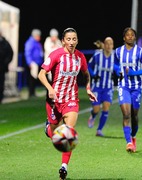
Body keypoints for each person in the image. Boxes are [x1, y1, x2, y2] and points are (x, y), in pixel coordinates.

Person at [38, 27, 97, 180]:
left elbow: (86, 74)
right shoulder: (56, 55)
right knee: (54, 135)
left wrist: (88, 88)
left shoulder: (80, 57)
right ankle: (48, 129)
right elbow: (41, 74)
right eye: (68, 39)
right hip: (54, 101)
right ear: (63, 41)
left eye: (74, 39)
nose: (71, 42)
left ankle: (64, 168)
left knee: (68, 133)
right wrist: (50, 88)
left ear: (77, 40)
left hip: (71, 99)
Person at [114, 27, 142, 153]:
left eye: (132, 35)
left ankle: (133, 137)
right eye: (127, 35)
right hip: (123, 86)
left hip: (136, 88)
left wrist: (135, 72)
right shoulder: (118, 51)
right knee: (126, 114)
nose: (130, 37)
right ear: (124, 38)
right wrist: (117, 70)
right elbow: (114, 64)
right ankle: (128, 142)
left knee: (134, 116)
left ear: (134, 37)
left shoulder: (140, 52)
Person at [87, 37, 117, 136]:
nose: (109, 46)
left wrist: (119, 72)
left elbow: (118, 68)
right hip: (97, 86)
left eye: (111, 44)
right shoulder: (97, 55)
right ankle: (93, 116)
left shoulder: (115, 57)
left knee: (106, 107)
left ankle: (99, 130)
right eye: (107, 43)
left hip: (108, 87)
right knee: (96, 108)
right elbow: (89, 66)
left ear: (113, 46)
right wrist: (93, 75)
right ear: (104, 45)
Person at [24, 28, 44, 97]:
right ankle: (31, 93)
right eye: (38, 36)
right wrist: (29, 62)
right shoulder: (30, 42)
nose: (39, 37)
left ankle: (33, 92)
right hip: (33, 63)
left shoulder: (37, 42)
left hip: (37, 63)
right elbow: (28, 53)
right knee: (32, 78)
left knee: (34, 78)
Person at [0, 29, 13, 104]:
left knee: (1, 84)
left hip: (2, 68)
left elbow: (10, 53)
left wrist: (5, 63)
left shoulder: (5, 43)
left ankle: (0, 99)